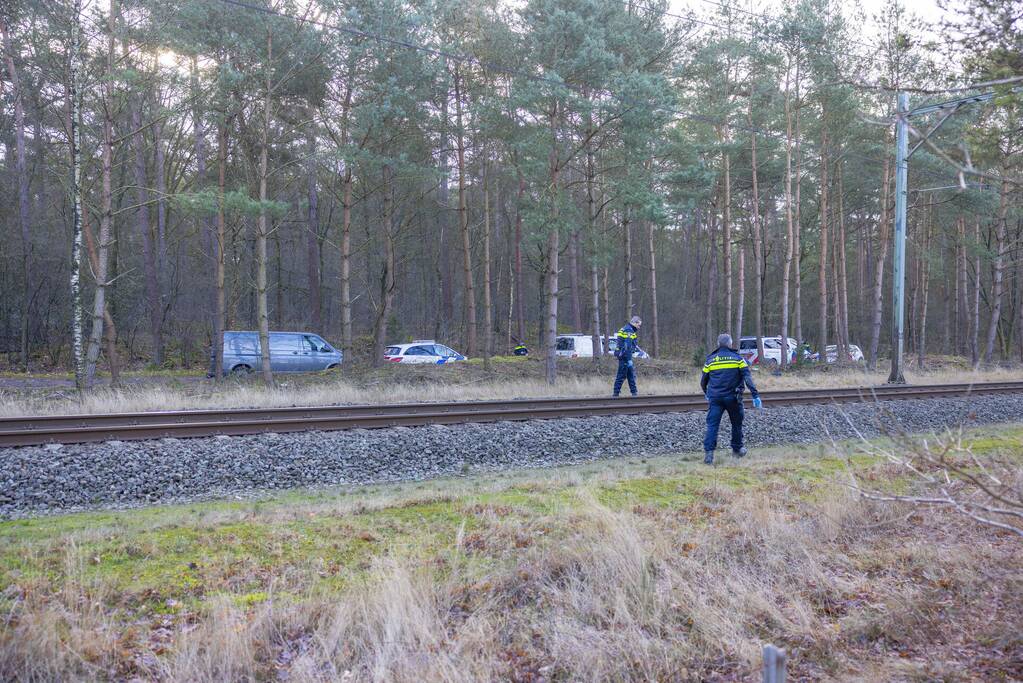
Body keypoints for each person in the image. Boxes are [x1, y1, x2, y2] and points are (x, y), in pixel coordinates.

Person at [700, 332, 762, 465]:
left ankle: (709, 456)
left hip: (715, 398)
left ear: (718, 344)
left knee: (712, 425)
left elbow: (703, 380)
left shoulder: (710, 359)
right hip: (733, 398)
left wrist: (706, 392)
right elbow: (747, 378)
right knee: (736, 424)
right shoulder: (738, 359)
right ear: (730, 344)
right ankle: (737, 449)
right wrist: (755, 395)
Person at [612, 315, 642, 397]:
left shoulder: (626, 328)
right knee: (621, 375)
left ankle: (634, 393)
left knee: (630, 375)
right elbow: (627, 346)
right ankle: (615, 394)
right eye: (639, 325)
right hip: (625, 356)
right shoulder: (629, 330)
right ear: (634, 323)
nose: (639, 327)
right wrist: (629, 359)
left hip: (623, 355)